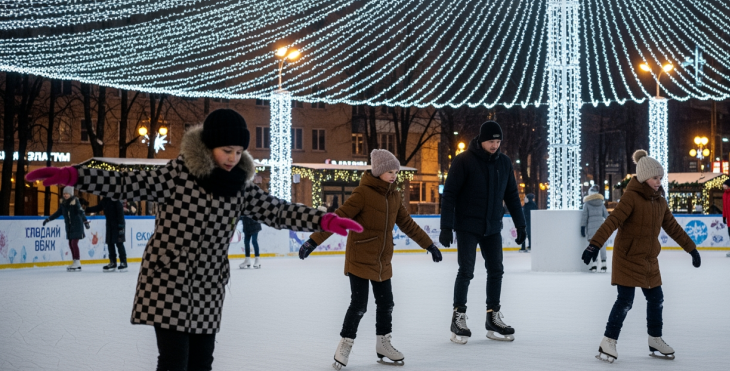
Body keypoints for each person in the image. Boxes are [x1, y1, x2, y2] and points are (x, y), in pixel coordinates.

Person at [27, 108, 363, 371]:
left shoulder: (240, 188)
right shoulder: (176, 176)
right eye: (226, 150)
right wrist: (74, 175)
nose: (233, 158)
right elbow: (128, 183)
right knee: (175, 363)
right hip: (167, 281)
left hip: (207, 286)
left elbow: (278, 211)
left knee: (202, 364)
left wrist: (324, 219)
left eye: (238, 151)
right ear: (208, 146)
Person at [298, 149, 442, 369]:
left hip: (382, 261)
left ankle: (383, 344)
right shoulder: (362, 193)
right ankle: (345, 345)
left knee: (386, 304)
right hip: (359, 258)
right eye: (390, 171)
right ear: (378, 171)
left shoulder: (394, 196)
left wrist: (429, 244)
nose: (394, 175)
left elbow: (408, 224)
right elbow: (339, 218)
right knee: (359, 305)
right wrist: (313, 241)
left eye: (396, 171)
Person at [582, 150, 701, 363]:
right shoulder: (631, 198)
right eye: (655, 178)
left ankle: (655, 338)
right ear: (645, 178)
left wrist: (691, 249)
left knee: (657, 299)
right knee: (625, 301)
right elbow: (612, 221)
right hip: (627, 257)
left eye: (660, 178)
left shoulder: (660, 202)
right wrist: (594, 245)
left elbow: (673, 228)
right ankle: (608, 341)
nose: (659, 181)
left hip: (648, 260)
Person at [439, 121, 527, 344]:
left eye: (498, 142)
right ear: (481, 140)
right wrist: (446, 227)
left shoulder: (505, 163)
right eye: (491, 142)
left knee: (496, 270)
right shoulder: (464, 161)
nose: (495, 146)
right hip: (467, 226)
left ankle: (492, 316)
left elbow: (512, 198)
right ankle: (458, 316)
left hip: (492, 227)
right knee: (466, 270)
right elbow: (449, 195)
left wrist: (521, 225)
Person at [43, 186, 90, 272]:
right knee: (70, 243)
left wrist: (85, 222)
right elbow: (58, 213)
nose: (65, 195)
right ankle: (75, 261)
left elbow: (80, 212)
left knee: (74, 243)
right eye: (64, 194)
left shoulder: (75, 201)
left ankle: (78, 261)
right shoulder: (63, 203)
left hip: (77, 225)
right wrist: (48, 219)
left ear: (70, 194)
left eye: (67, 194)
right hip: (69, 226)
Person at [86, 196, 128, 272]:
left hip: (118, 226)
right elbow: (98, 207)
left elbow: (121, 214)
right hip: (109, 226)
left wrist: (121, 227)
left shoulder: (116, 201)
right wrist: (87, 209)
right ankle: (112, 262)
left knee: (119, 243)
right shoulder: (105, 201)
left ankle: (123, 262)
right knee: (110, 243)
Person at [581, 185, 609, 272]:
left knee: (593, 246)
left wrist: (582, 227)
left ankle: (594, 264)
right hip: (601, 228)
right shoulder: (601, 203)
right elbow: (606, 215)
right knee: (602, 245)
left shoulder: (587, 204)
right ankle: (604, 264)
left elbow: (584, 217)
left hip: (591, 228)